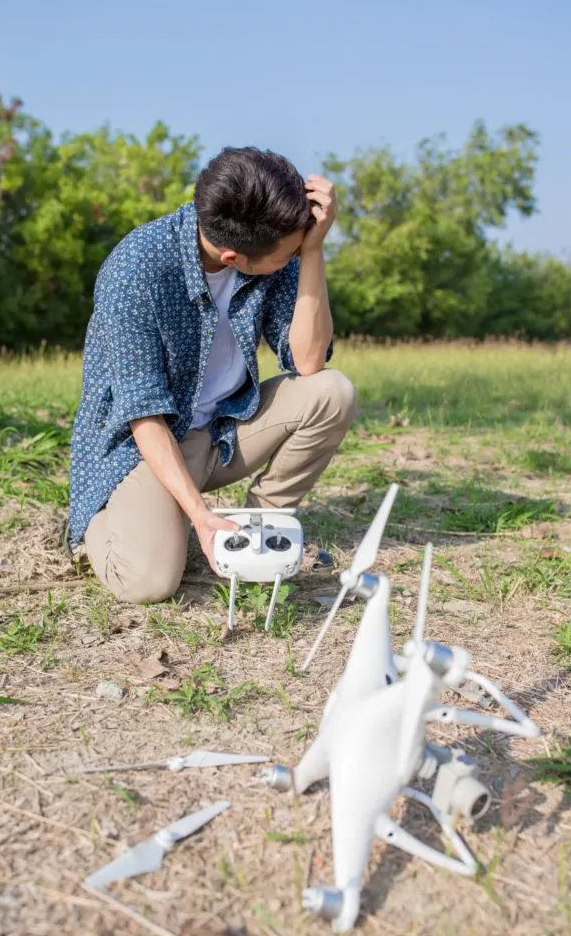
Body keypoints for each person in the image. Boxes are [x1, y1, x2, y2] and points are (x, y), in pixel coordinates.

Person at [67, 146, 357, 604]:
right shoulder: (134, 271)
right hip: (144, 448)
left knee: (332, 391)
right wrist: (197, 514)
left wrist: (314, 251)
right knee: (148, 582)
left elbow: (308, 362)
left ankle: (259, 522)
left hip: (222, 431)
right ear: (231, 257)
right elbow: (143, 416)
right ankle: (103, 522)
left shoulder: (268, 243)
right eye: (289, 256)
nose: (293, 259)